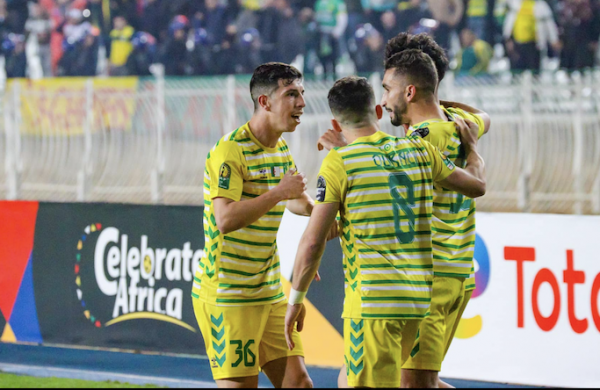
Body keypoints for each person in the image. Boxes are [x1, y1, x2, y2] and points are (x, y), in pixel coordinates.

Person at [284, 69, 486, 388]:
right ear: (377, 112)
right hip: (417, 300)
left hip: (373, 303)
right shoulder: (418, 151)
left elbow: (313, 242)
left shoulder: (341, 162)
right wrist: (472, 149)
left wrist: (295, 299)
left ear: (336, 123)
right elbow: (476, 186)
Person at [191, 62, 336, 388]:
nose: (301, 103)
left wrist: (326, 222)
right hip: (228, 295)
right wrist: (278, 193)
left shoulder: (280, 147)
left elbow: (297, 201)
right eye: (291, 94)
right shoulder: (230, 150)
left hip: (269, 291)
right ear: (265, 102)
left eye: (301, 93)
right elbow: (225, 219)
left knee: (299, 383)